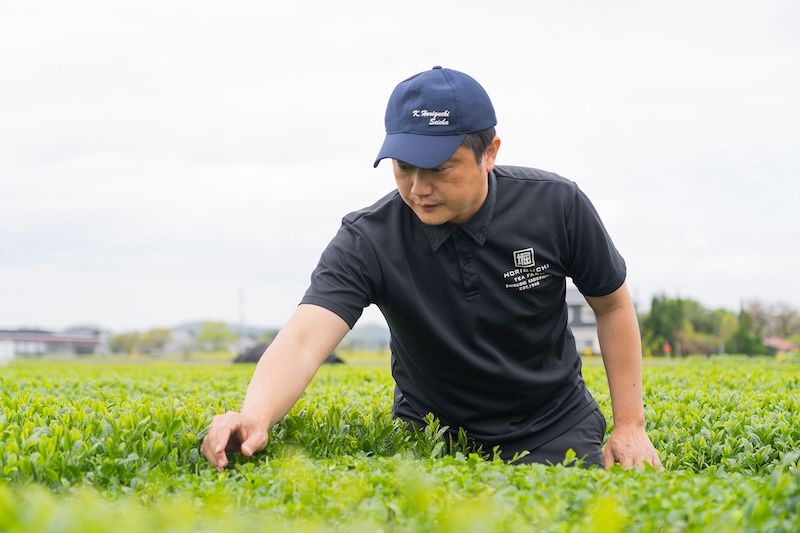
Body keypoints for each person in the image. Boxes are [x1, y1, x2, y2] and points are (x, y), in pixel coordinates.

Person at [200, 66, 661, 470]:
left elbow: (612, 305)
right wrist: (254, 415)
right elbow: (304, 339)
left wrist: (629, 424)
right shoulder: (368, 238)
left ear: (491, 151)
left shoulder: (557, 205)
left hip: (553, 427)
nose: (418, 188)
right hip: (432, 437)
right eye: (403, 167)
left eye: (439, 168)